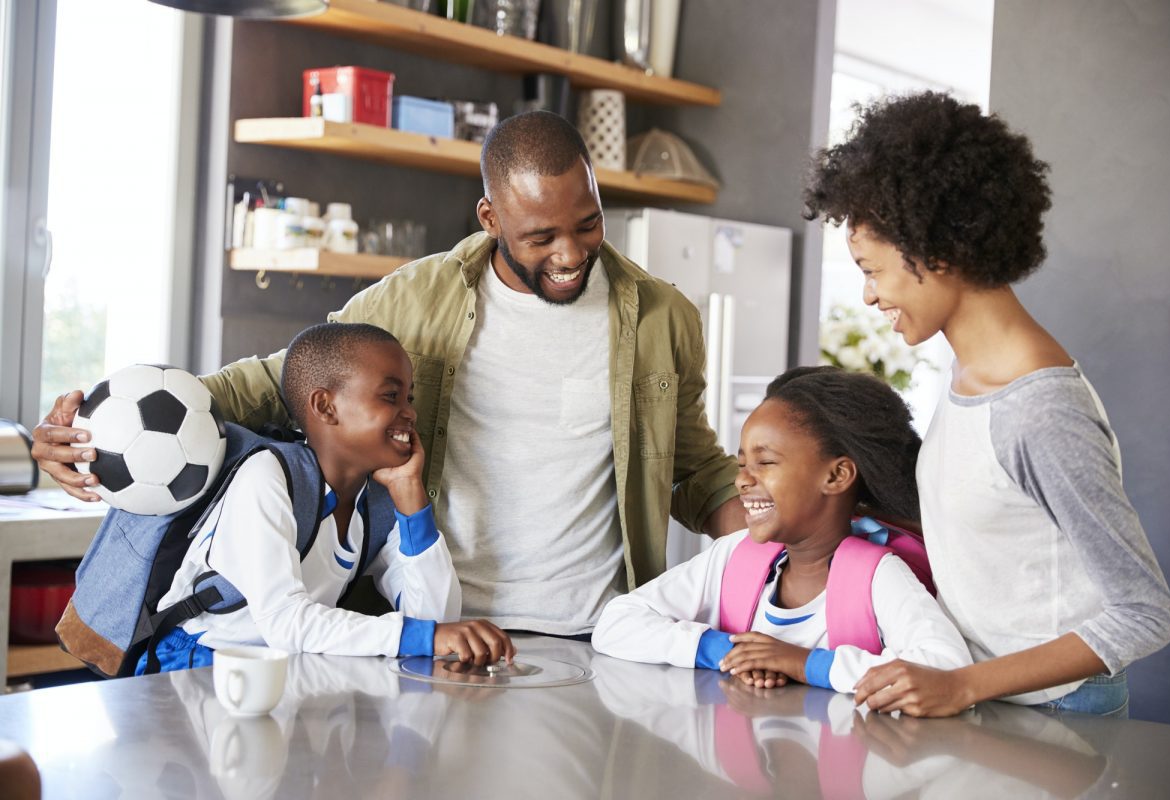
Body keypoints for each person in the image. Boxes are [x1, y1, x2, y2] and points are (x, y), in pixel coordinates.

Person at [32, 110, 745, 638]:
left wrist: (785, 523)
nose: (570, 253)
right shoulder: (412, 300)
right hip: (427, 630)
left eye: (587, 224)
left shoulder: (662, 318)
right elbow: (273, 383)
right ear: (490, 217)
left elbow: (693, 470)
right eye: (541, 236)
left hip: (593, 634)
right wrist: (97, 430)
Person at [804, 91, 1170, 717]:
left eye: (872, 270)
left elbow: (1145, 613)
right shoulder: (969, 372)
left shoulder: (1040, 410)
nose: (868, 296)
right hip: (988, 692)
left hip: (1056, 708)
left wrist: (964, 685)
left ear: (937, 250)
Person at [135, 322, 513, 673]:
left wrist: (411, 496)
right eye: (391, 396)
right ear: (325, 407)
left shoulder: (378, 502)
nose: (410, 413)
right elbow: (285, 622)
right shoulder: (268, 475)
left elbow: (435, 621)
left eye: (409, 398)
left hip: (283, 666)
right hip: (196, 664)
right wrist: (425, 637)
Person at [591, 366, 972, 694]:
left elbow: (944, 667)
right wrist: (727, 651)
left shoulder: (879, 575)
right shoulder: (734, 554)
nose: (742, 481)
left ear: (836, 475)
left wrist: (803, 663)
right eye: (742, 464)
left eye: (766, 462)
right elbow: (616, 622)